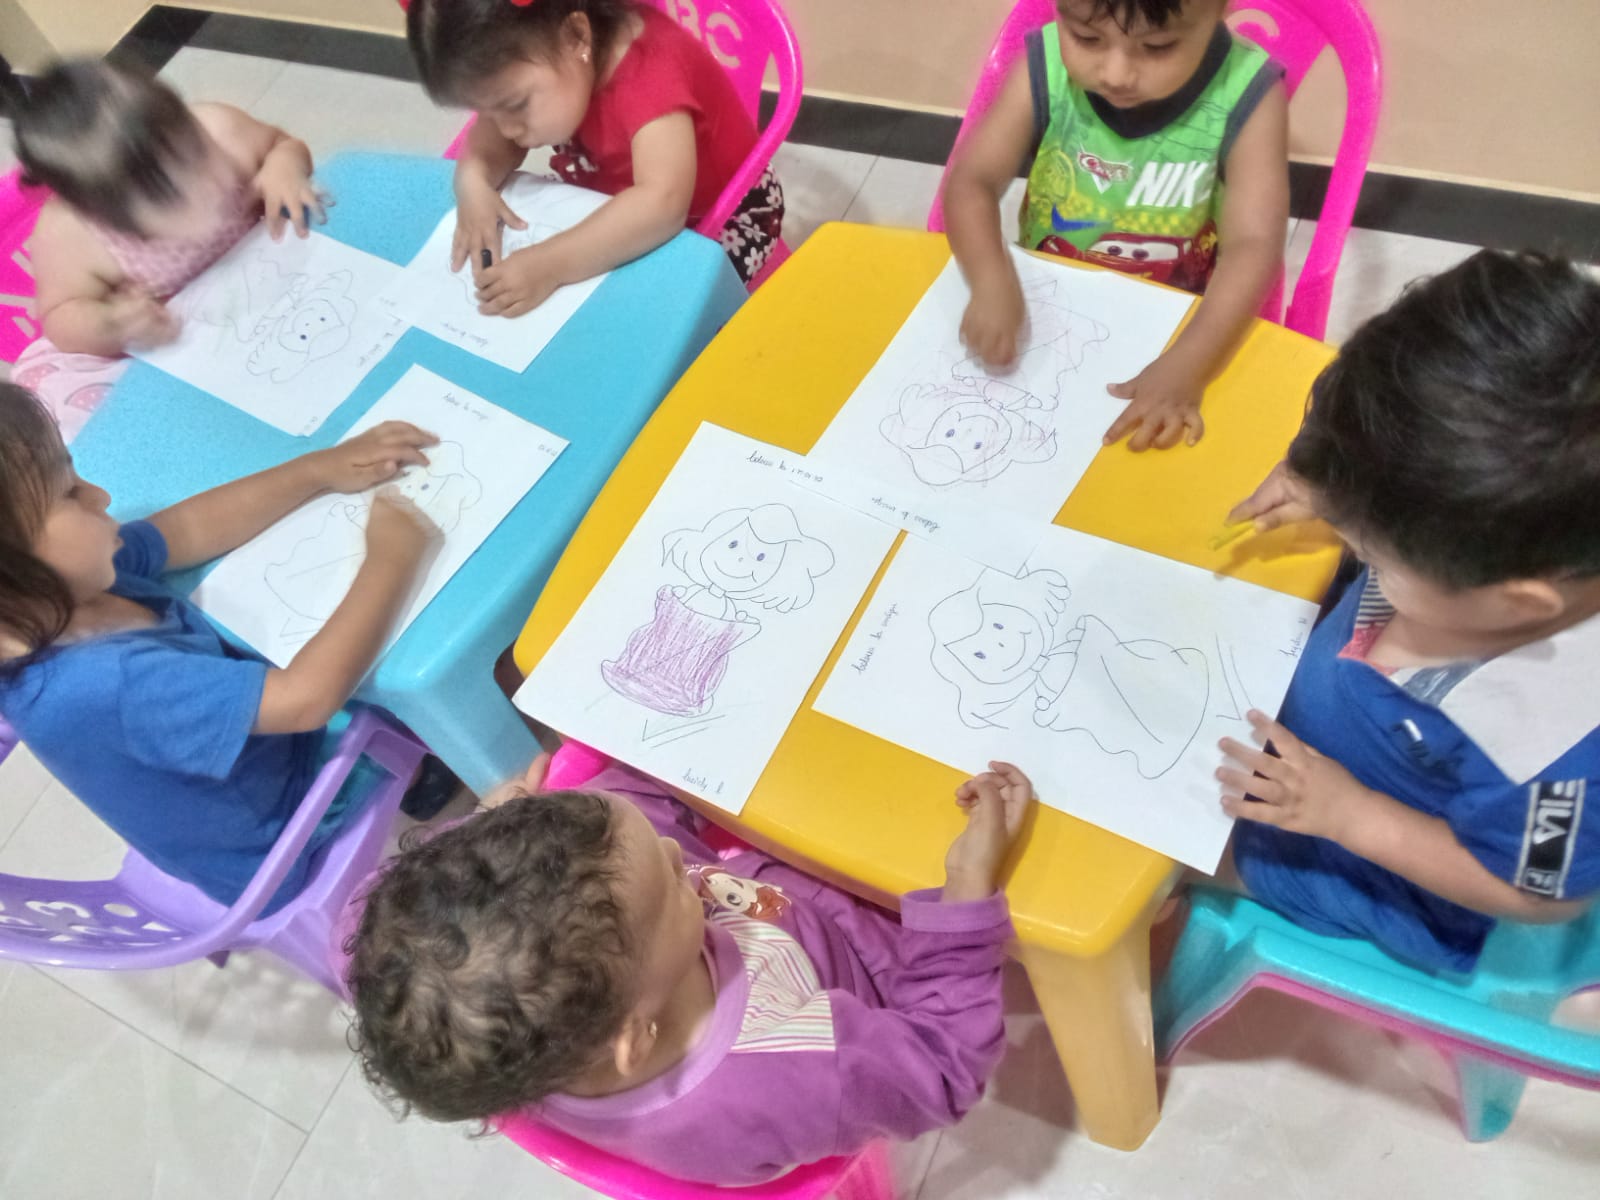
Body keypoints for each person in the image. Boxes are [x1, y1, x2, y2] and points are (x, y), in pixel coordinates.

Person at [343, 756, 1034, 1186]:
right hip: (875, 968)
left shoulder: (535, 1024)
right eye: (672, 885)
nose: (679, 859)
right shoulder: (787, 1076)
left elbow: (368, 918)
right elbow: (942, 1066)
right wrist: (966, 892)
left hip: (762, 904)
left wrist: (494, 830)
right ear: (635, 1036)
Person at [1217, 250, 1600, 972]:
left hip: (1374, 858)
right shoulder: (1505, 528)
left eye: (1378, 557)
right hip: (1325, 736)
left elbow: (1541, 895)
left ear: (1515, 600)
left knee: (1178, 856)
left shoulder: (1553, 748)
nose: (1360, 552)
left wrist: (1353, 818)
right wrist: (1337, 485)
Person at [0, 383, 439, 913]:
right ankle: (426, 779)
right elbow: (306, 700)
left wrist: (318, 469)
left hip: (248, 782)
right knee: (408, 681)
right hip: (282, 840)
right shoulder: (106, 684)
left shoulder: (59, 596)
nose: (100, 496)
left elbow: (183, 530)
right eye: (69, 493)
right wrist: (392, 559)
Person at [941, 0, 1287, 451]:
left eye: (1158, 47)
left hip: (1181, 327)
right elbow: (972, 181)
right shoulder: (1043, 67)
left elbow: (1254, 244)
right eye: (1087, 38)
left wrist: (1189, 365)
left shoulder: (1248, 93)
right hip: (1045, 312)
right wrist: (991, 281)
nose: (1116, 74)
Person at [10, 58, 325, 443]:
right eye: (168, 197)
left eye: (198, 155)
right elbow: (60, 315)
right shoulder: (72, 231)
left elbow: (283, 145)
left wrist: (284, 167)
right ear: (103, 212)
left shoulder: (221, 127)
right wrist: (111, 323)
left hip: (271, 276)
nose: (206, 188)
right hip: (172, 335)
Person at [405, 0, 783, 310]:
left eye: (515, 106)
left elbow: (662, 205)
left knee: (650, 315)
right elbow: (491, 142)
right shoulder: (556, 64)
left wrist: (551, 264)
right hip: (618, 194)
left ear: (576, 36)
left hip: (725, 215)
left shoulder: (651, 77)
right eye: (488, 112)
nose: (506, 130)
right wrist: (473, 180)